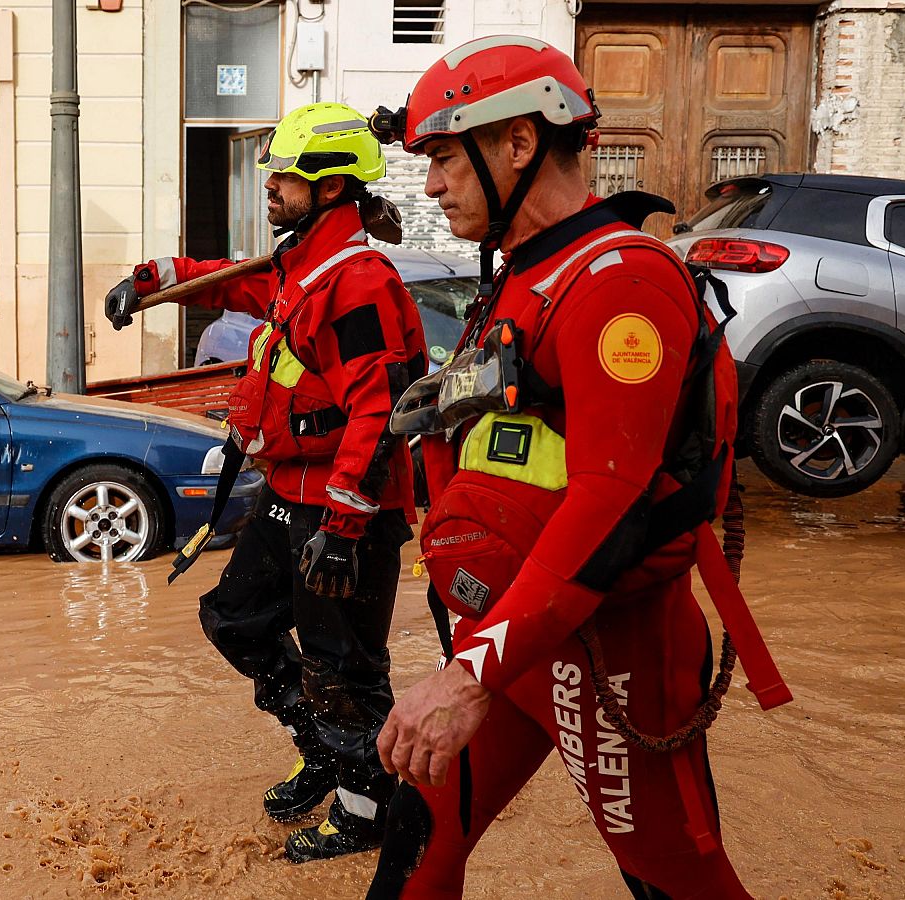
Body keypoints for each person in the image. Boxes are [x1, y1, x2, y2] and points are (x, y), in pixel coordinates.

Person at [362, 36, 786, 898]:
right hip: (520, 635)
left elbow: (609, 502)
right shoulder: (524, 272)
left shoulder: (616, 283)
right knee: (419, 836)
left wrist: (468, 674)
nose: (431, 184)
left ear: (518, 144)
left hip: (610, 652)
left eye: (444, 157)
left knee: (678, 882)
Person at [104, 103, 426, 862]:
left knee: (342, 668)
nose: (270, 186)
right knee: (235, 620)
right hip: (291, 496)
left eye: (284, 175)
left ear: (330, 185)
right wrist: (148, 280)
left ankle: (366, 811)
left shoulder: (358, 282)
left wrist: (344, 531)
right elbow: (229, 282)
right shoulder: (304, 264)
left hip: (344, 514)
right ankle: (322, 749)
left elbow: (377, 412)